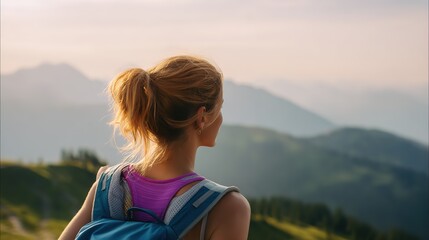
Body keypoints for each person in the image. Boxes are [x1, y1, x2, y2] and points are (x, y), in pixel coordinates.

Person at [59, 55, 251, 239]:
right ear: (201, 117)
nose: (221, 118)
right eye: (220, 108)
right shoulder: (226, 208)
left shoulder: (107, 189)